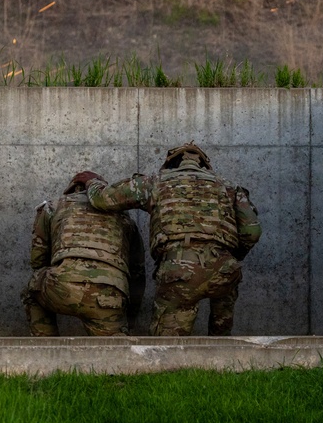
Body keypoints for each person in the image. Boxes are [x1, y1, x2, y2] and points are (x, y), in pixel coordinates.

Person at [85, 143, 261, 336]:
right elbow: (251, 232)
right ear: (204, 165)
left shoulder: (156, 182)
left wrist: (92, 182)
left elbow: (102, 200)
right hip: (226, 269)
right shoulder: (229, 188)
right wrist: (233, 256)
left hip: (181, 269)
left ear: (170, 164)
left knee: (168, 345)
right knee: (221, 340)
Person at [21, 172, 146, 336]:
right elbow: (137, 273)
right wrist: (128, 320)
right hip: (109, 296)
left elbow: (37, 261)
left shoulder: (54, 206)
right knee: (114, 353)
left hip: (62, 287)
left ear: (72, 189)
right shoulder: (125, 218)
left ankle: (47, 349)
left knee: (32, 288)